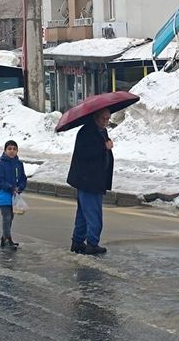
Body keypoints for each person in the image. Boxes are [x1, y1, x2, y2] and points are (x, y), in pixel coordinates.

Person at [66, 108, 114, 255]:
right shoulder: (87, 132)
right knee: (94, 214)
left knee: (83, 213)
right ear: (96, 117)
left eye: (108, 118)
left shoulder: (100, 130)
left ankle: (78, 241)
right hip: (88, 179)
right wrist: (103, 147)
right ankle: (92, 243)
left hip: (93, 178)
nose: (106, 121)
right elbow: (85, 154)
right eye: (103, 119)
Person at [0, 140, 27, 250]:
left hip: (14, 196)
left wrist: (20, 187)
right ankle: (7, 240)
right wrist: (10, 187)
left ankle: (5, 238)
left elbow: (23, 178)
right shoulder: (0, 165)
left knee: (11, 217)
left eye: (14, 149)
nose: (12, 151)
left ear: (17, 151)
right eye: (9, 149)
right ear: (5, 150)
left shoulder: (19, 164)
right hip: (3, 195)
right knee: (6, 217)